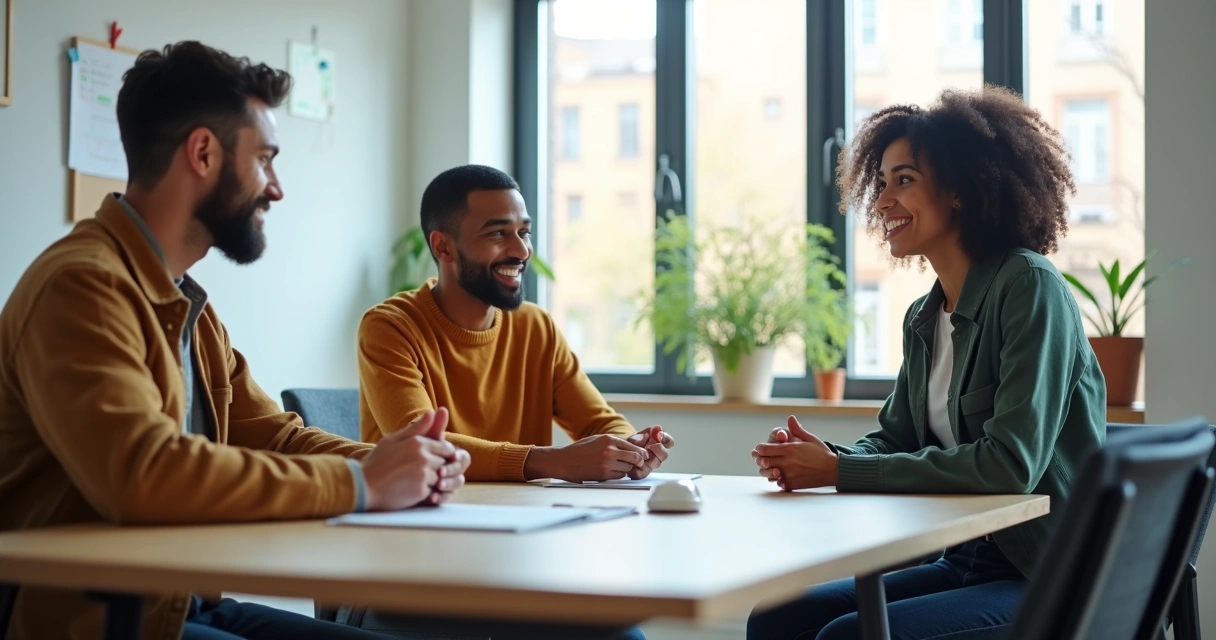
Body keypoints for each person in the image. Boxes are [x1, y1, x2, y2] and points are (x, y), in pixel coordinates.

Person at [0, 41, 470, 640]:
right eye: (265, 159)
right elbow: (143, 474)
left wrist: (401, 464)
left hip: (182, 602)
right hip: (92, 620)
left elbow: (273, 437)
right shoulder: (82, 287)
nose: (276, 188)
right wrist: (364, 484)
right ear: (202, 152)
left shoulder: (183, 300)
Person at [747, 86, 1106, 640]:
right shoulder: (924, 315)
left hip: (1048, 572)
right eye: (882, 182)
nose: (883, 200)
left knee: (843, 637)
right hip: (965, 563)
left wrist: (839, 472)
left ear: (961, 188)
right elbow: (896, 439)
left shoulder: (1029, 286)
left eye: (905, 180)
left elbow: (1010, 466)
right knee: (777, 619)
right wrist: (825, 458)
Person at [357, 165, 675, 484]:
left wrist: (630, 449)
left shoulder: (536, 327)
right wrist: (556, 461)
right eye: (498, 233)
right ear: (443, 247)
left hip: (522, 519)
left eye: (524, 232)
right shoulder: (390, 327)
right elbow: (421, 446)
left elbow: (599, 422)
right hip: (416, 521)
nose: (522, 251)